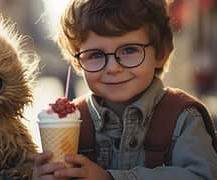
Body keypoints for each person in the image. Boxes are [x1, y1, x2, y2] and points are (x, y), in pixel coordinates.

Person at [32, 0, 217, 179]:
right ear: (79, 63)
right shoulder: (72, 121)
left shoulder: (182, 117)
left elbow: (203, 175)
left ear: (160, 53)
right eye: (96, 55)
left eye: (129, 50)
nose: (113, 68)